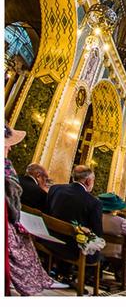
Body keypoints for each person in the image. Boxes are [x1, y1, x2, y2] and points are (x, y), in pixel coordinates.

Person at [4, 125, 67, 295]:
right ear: (38, 176)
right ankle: (39, 278)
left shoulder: (17, 176)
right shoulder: (7, 167)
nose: (10, 147)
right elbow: (12, 200)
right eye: (8, 144)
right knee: (23, 241)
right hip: (8, 220)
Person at [46, 165, 103, 259]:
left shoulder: (55, 188)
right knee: (98, 255)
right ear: (88, 181)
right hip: (71, 249)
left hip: (48, 240)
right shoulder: (94, 203)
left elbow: (47, 211)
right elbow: (97, 233)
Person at [99, 193, 126, 287]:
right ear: (114, 208)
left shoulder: (97, 217)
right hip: (118, 253)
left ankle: (119, 274)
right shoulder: (121, 221)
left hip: (100, 249)